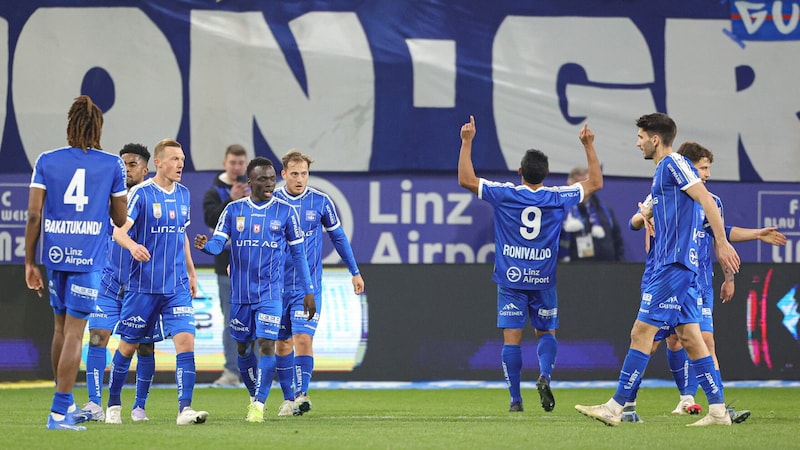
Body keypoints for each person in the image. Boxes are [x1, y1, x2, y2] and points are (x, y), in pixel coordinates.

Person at [575, 112, 741, 427]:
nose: (636, 143)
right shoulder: (664, 173)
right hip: (681, 267)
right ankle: (718, 411)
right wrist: (650, 213)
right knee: (691, 338)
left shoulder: (673, 163)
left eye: (640, 137)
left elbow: (704, 198)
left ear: (655, 138)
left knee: (641, 332)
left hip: (673, 265)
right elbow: (647, 219)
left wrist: (720, 242)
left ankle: (615, 408)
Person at [620, 142, 786, 424]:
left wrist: (746, 250)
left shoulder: (712, 202)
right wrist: (644, 216)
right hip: (666, 275)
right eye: (703, 167)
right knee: (654, 339)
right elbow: (635, 220)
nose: (707, 173)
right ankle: (628, 405)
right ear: (688, 167)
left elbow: (722, 235)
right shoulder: (666, 191)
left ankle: (711, 405)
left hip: (697, 281)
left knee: (701, 339)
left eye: (708, 168)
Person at [458, 115, 603, 413]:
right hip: (543, 279)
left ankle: (515, 399)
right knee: (546, 333)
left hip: (511, 278)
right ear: (547, 172)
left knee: (511, 338)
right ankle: (545, 375)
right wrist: (588, 146)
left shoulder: (505, 194)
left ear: (520, 171)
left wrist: (467, 141)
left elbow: (466, 180)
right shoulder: (557, 196)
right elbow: (596, 183)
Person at [24, 95, 128, 431]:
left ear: (70, 125)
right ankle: (58, 414)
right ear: (98, 127)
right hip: (88, 257)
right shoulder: (112, 164)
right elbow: (120, 215)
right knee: (74, 334)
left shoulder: (46, 160)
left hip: (55, 255)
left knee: (59, 329)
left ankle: (63, 404)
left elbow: (33, 215)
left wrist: (29, 262)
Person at [194, 156, 316, 423]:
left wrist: (309, 290)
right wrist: (205, 246)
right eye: (263, 179)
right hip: (240, 295)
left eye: (272, 178)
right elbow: (218, 245)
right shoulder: (234, 210)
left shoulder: (286, 212)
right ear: (250, 182)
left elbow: (299, 255)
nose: (270, 184)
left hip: (271, 294)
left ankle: (259, 405)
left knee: (267, 344)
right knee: (242, 349)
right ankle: (253, 396)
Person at [105, 138, 208, 425]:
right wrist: (132, 247)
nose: (180, 165)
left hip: (175, 286)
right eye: (175, 160)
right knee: (128, 347)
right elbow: (118, 231)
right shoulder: (140, 193)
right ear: (159, 163)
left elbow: (182, 234)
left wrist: (191, 270)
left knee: (186, 341)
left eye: (183, 161)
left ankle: (184, 409)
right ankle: (113, 404)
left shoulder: (185, 195)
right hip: (144, 286)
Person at [273, 149, 364, 417]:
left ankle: (301, 395)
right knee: (282, 345)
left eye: (304, 173)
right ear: (284, 174)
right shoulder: (272, 202)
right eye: (294, 174)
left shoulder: (321, 202)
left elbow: (339, 239)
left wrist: (354, 271)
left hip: (308, 288)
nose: (300, 179)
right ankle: (289, 399)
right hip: (276, 287)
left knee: (303, 338)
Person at [74, 143, 160, 424]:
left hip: (143, 287)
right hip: (109, 282)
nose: (126, 170)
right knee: (98, 337)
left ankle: (139, 407)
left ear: (146, 169)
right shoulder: (107, 198)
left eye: (132, 164)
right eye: (123, 164)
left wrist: (190, 272)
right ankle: (94, 404)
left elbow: (177, 236)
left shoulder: (153, 199)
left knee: (144, 347)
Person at [202, 144, 249, 387]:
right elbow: (211, 220)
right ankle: (232, 371)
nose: (237, 167)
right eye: (232, 163)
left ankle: (260, 372)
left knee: (260, 318)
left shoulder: (255, 189)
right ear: (225, 164)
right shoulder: (214, 192)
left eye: (241, 163)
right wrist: (231, 200)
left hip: (255, 266)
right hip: (226, 267)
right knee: (232, 319)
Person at [558, 166, 624, 262]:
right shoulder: (560, 212)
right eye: (577, 184)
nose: (582, 189)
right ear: (569, 185)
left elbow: (617, 240)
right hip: (572, 270)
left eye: (585, 184)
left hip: (605, 269)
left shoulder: (604, 210)